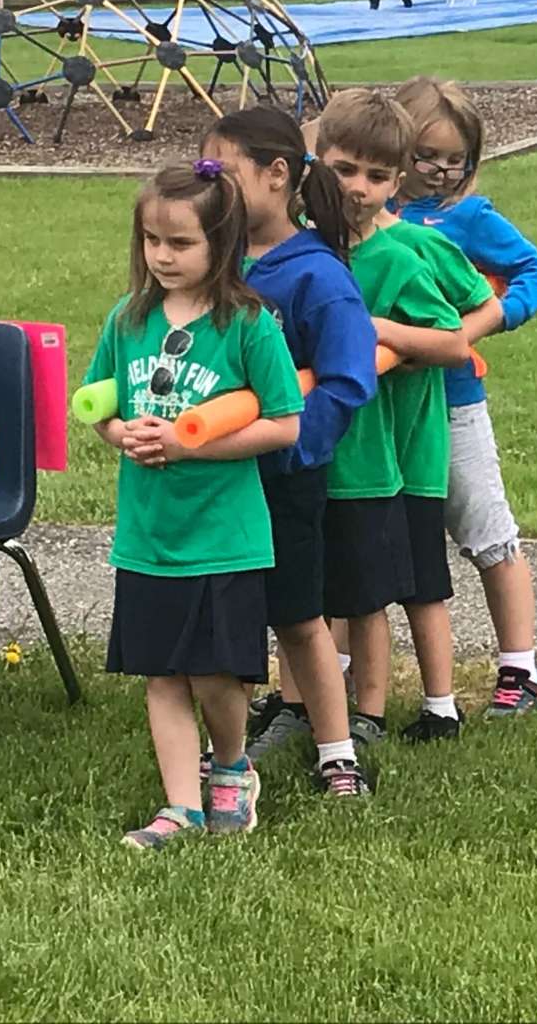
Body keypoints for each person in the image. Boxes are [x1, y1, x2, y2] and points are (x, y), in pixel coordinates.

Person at [83, 161, 304, 846]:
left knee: (214, 674)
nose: (162, 256)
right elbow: (100, 402)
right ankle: (180, 805)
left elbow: (284, 421)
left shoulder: (248, 325)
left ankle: (233, 768)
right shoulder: (129, 318)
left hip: (223, 534)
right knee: (161, 674)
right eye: (152, 240)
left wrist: (189, 447)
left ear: (222, 243)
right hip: (150, 533)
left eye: (180, 244)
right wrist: (125, 435)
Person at [199, 110, 378, 796]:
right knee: (228, 615)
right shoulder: (209, 260)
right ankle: (229, 759)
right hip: (216, 478)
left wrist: (289, 440)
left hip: (282, 479)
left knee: (301, 617)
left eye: (223, 174)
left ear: (278, 176)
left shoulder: (316, 277)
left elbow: (348, 378)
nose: (208, 187)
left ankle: (338, 755)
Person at [394, 76, 537, 718]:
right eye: (425, 154)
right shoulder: (356, 209)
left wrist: (484, 321)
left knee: (485, 527)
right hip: (382, 403)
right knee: (376, 534)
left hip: (452, 398)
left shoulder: (465, 218)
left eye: (454, 159)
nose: (438, 171)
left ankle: (521, 667)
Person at [313, 90, 471, 743]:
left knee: (399, 586)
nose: (357, 187)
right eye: (345, 170)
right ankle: (314, 701)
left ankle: (415, 708)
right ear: (315, 162)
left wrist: (379, 334)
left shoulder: (400, 255)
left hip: (392, 455)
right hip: (325, 448)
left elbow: (452, 340)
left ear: (397, 181)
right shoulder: (305, 248)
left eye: (377, 176)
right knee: (326, 587)